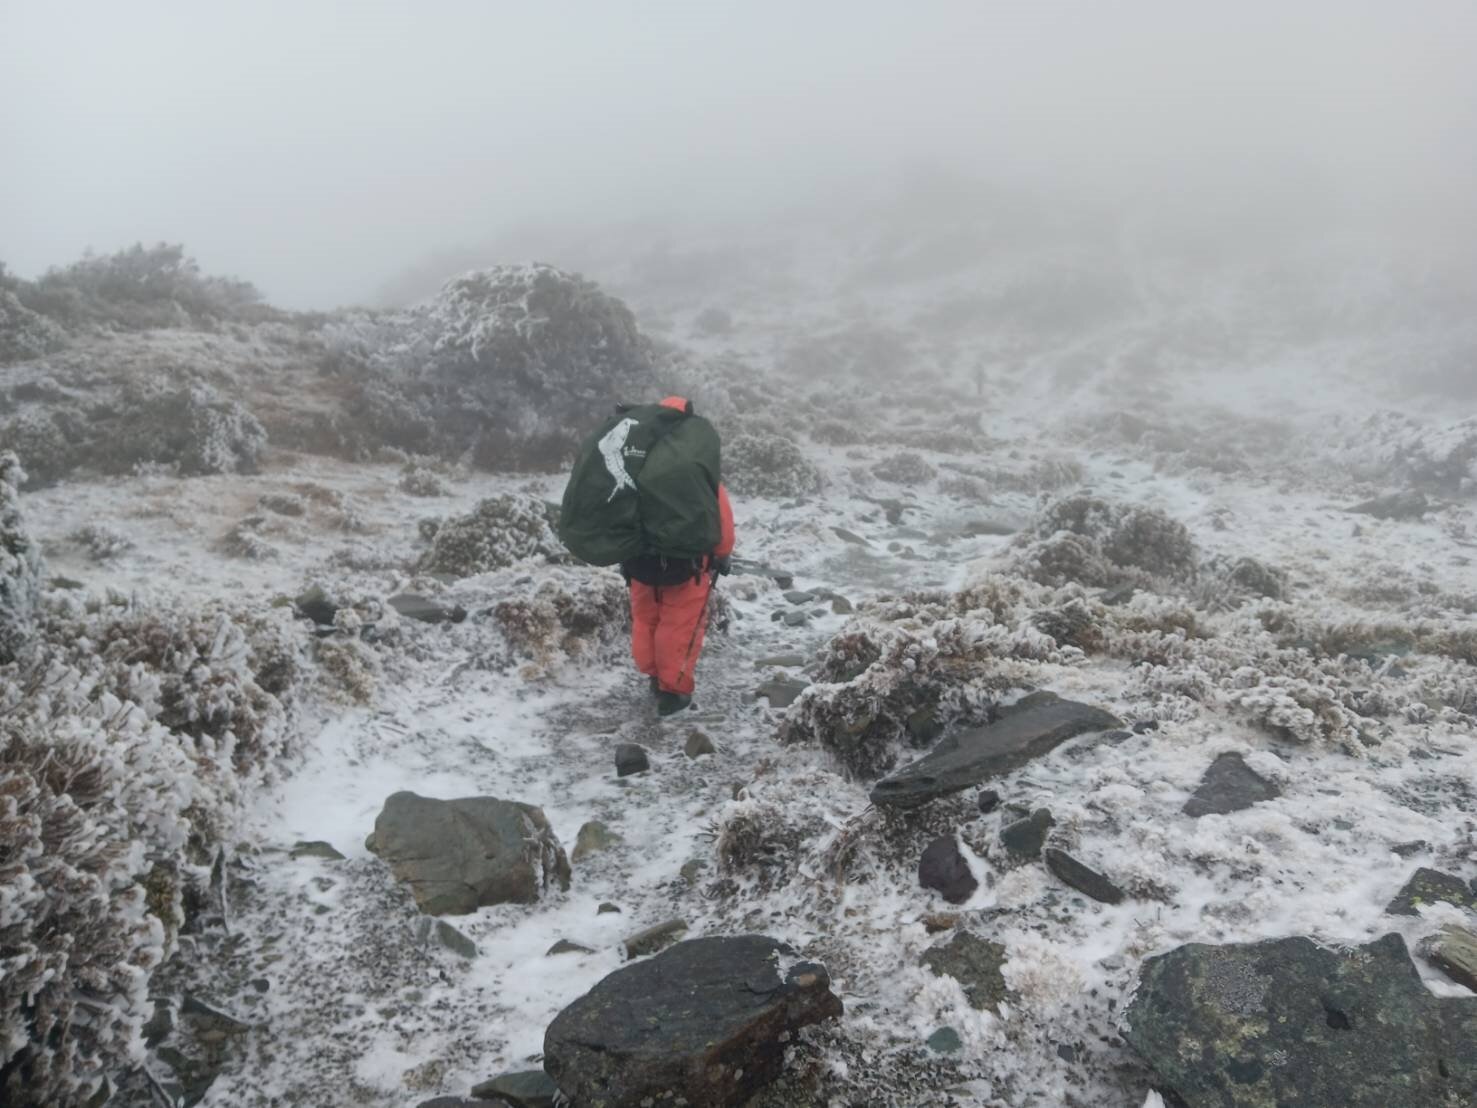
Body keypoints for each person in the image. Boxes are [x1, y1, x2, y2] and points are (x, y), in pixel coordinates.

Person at [620, 396, 735, 716]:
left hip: (639, 564)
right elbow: (719, 513)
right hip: (688, 566)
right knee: (679, 627)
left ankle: (653, 674)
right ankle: (674, 691)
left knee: (646, 620)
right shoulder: (696, 466)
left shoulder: (634, 459)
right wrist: (722, 554)